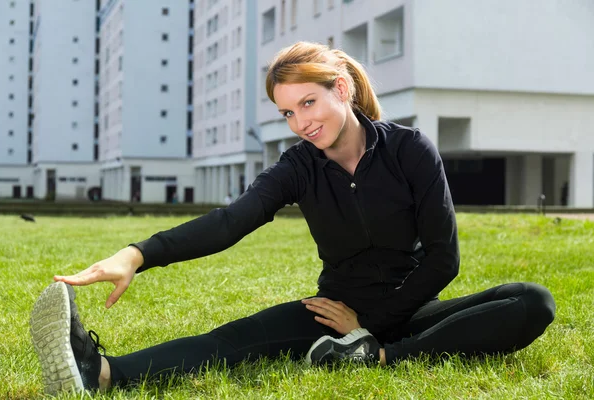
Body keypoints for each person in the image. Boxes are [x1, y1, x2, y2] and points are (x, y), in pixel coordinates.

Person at [30, 42, 556, 395]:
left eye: (309, 102)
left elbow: (444, 258)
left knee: (532, 301)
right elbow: (231, 221)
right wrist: (136, 254)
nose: (302, 122)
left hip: (411, 304)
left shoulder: (409, 150)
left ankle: (377, 357)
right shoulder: (298, 166)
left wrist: (371, 330)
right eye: (288, 112)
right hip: (331, 310)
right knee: (230, 341)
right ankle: (99, 373)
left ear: (342, 90)